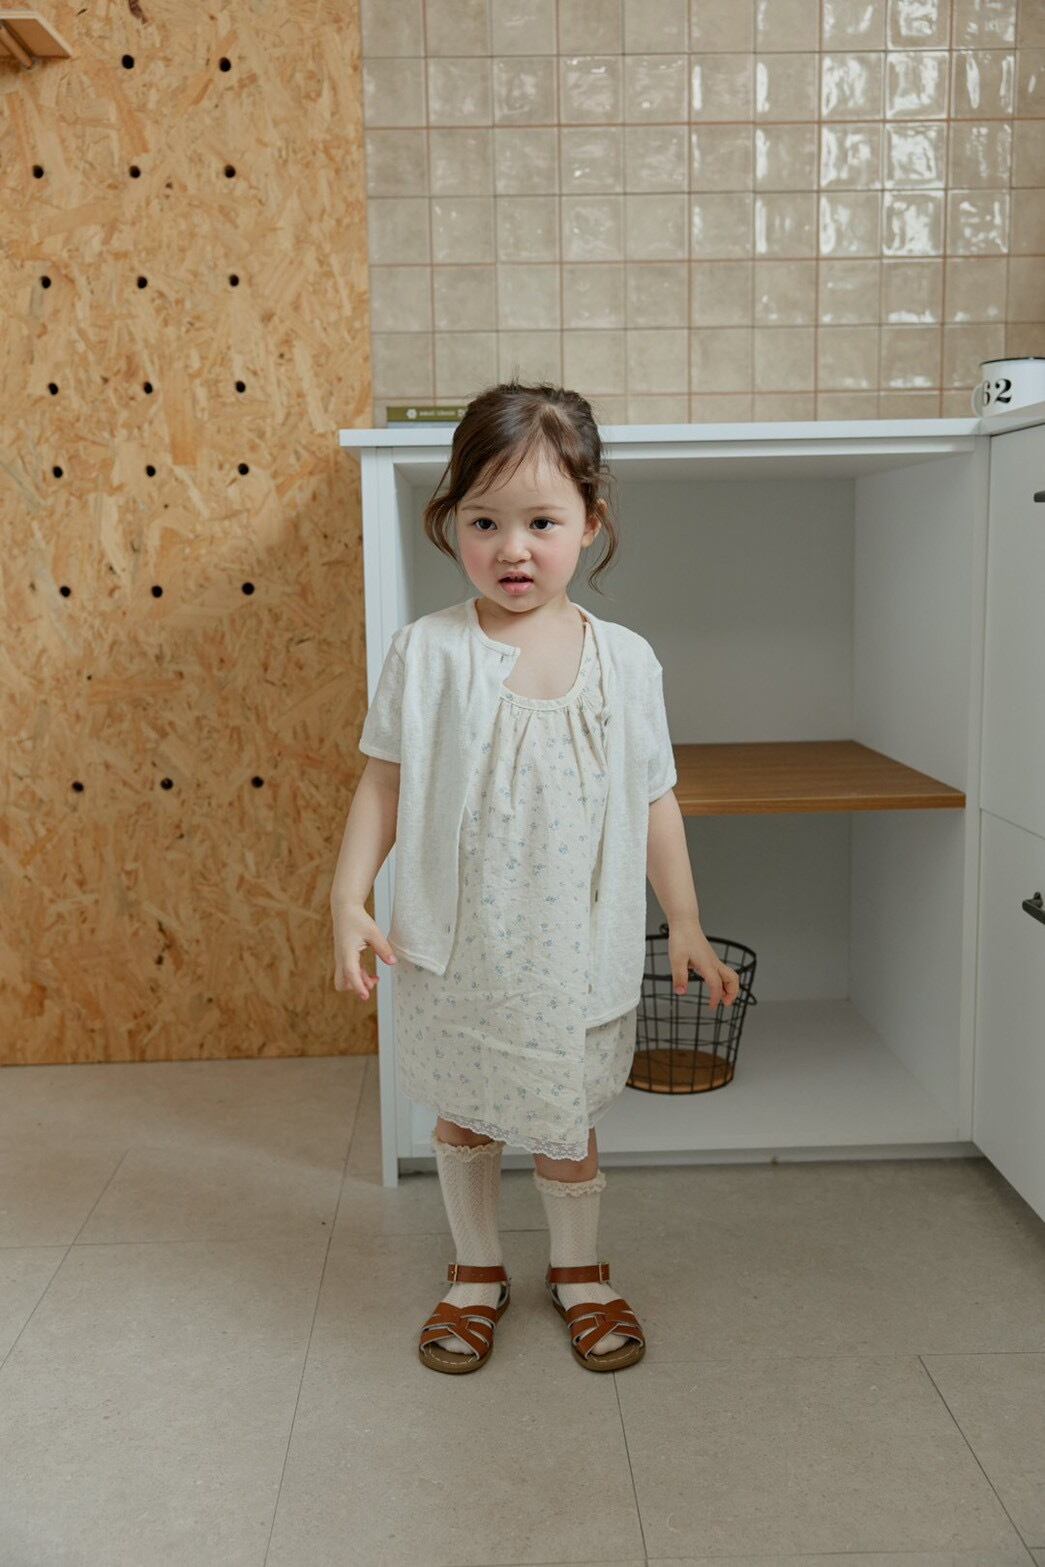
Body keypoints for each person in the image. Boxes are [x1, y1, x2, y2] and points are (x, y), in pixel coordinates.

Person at [329, 380, 740, 1374]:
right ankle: (474, 1270)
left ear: (590, 522)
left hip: (573, 947)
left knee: (563, 1116)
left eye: (541, 522)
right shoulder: (425, 653)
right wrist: (346, 897)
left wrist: (684, 918)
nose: (512, 549)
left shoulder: (625, 662)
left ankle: (578, 1269)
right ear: (451, 523)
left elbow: (654, 797)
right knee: (464, 1110)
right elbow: (382, 783)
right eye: (485, 522)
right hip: (457, 944)